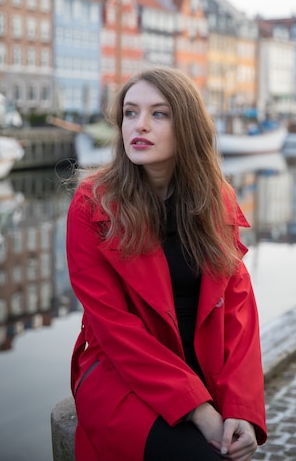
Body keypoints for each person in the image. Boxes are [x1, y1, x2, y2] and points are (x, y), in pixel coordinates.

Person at [66, 67, 267, 461]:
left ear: (187, 126)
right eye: (130, 112)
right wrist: (197, 408)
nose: (139, 125)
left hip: (202, 368)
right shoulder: (93, 204)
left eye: (159, 113)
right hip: (121, 376)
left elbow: (239, 308)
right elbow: (113, 327)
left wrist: (240, 407)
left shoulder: (215, 199)